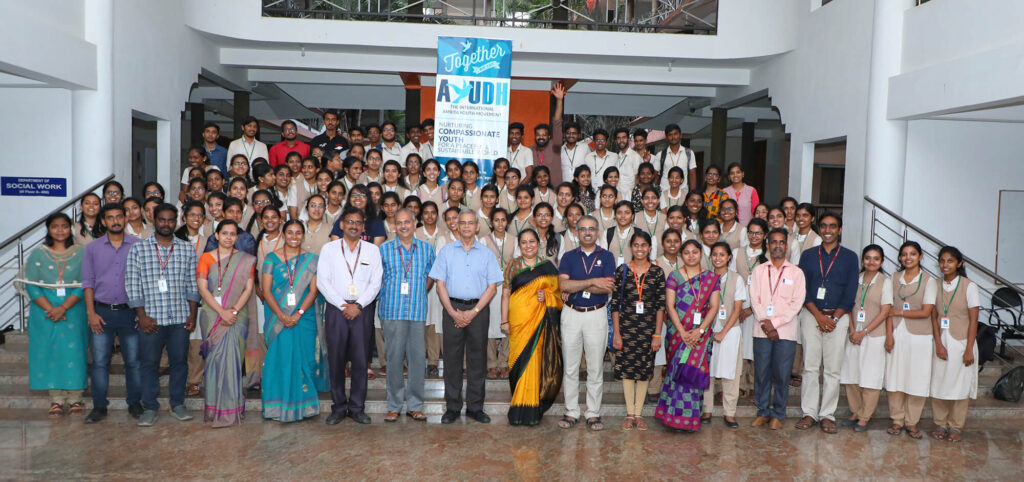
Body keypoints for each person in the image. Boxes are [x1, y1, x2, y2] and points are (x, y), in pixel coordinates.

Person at [126, 203, 201, 427]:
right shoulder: (139, 249)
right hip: (151, 318)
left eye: (170, 220)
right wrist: (141, 316)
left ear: (176, 221)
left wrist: (192, 314)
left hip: (179, 318)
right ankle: (150, 406)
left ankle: (177, 404)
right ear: (154, 221)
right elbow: (132, 284)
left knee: (180, 363)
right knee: (149, 364)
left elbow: (192, 284)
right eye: (162, 220)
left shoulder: (187, 249)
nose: (166, 224)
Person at [429, 210, 504, 424]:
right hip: (452, 307)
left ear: (477, 226)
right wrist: (453, 312)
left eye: (471, 223)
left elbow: (492, 288)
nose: (467, 226)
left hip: (478, 310)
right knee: (451, 360)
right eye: (463, 223)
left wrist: (473, 312)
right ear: (457, 226)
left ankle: (475, 407)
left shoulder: (487, 253)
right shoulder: (446, 252)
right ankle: (452, 407)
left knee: (477, 360)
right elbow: (439, 285)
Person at [17, 213, 87, 418]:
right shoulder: (38, 254)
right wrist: (51, 309)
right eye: (55, 226)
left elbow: (85, 283)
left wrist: (63, 308)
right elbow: (31, 284)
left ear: (70, 229)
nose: (60, 230)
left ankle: (75, 398)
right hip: (44, 313)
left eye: (64, 226)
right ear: (48, 229)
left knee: (74, 353)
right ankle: (56, 399)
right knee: (50, 353)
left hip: (73, 310)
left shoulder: (81, 253)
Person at [317, 207, 383, 425]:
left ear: (363, 227)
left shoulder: (372, 251)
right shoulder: (329, 249)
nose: (353, 225)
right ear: (342, 225)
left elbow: (376, 282)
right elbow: (323, 282)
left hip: (362, 310)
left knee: (361, 359)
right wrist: (342, 304)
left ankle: (357, 407)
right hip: (337, 309)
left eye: (358, 222)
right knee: (336, 359)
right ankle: (338, 407)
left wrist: (359, 304)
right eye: (349, 222)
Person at [794, 212, 858, 434]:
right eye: (824, 226)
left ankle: (827, 415)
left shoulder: (850, 257)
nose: (828, 230)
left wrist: (834, 317)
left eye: (832, 226)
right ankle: (809, 413)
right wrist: (819, 317)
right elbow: (802, 289)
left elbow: (850, 292)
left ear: (840, 230)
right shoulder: (809, 255)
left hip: (838, 318)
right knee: (810, 367)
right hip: (811, 315)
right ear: (819, 229)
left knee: (832, 370)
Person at [80, 204, 143, 423]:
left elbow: (146, 282)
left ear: (125, 218)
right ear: (103, 221)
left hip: (130, 313)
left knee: (134, 362)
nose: (115, 221)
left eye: (119, 216)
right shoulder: (92, 249)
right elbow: (87, 283)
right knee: (99, 362)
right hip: (101, 312)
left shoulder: (138, 246)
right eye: (110, 218)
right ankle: (99, 407)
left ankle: (135, 403)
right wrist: (91, 313)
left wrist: (141, 314)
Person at [557, 215, 616, 431]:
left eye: (591, 229)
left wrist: (576, 285)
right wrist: (592, 281)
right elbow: (563, 286)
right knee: (571, 367)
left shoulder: (607, 257)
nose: (587, 232)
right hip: (571, 314)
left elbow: (608, 287)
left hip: (596, 314)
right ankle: (571, 411)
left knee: (595, 367)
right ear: (577, 232)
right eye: (583, 229)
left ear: (597, 231)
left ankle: (593, 413)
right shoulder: (568, 257)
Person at [654, 239, 720, 432]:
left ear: (701, 254)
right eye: (687, 253)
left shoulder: (711, 278)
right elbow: (670, 306)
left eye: (695, 252)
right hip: (678, 334)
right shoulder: (674, 276)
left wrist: (699, 331)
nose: (691, 256)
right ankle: (672, 416)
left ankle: (690, 419)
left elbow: (714, 306)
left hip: (701, 335)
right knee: (678, 373)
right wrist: (682, 332)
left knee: (692, 374)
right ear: (681, 256)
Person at [260, 220, 323, 423]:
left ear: (303, 235)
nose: (294, 236)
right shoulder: (271, 258)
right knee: (280, 359)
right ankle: (276, 407)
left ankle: (304, 407)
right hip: (278, 318)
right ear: (284, 234)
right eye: (290, 232)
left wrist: (298, 314)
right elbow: (266, 291)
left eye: (298, 233)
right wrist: (281, 315)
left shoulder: (312, 260)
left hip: (303, 319)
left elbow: (313, 291)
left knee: (304, 359)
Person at [195, 220, 256, 427]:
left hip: (237, 315)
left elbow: (248, 289)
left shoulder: (245, 260)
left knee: (233, 362)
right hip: (212, 315)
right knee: (214, 362)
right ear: (217, 235)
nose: (228, 237)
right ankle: (214, 408)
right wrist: (222, 312)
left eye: (232, 234)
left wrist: (234, 311)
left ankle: (232, 407)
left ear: (237, 237)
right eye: (225, 233)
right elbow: (203, 288)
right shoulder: (205, 258)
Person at [500, 229, 564, 425]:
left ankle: (532, 409)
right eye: (524, 243)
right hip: (518, 324)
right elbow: (505, 294)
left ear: (539, 243)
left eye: (532, 242)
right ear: (519, 246)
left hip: (539, 323)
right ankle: (518, 406)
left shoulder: (548, 267)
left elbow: (561, 296)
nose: (528, 246)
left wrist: (548, 297)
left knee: (535, 363)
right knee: (517, 363)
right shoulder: (512, 266)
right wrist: (504, 321)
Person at [377, 209, 436, 423]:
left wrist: (420, 290)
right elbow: (377, 278)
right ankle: (393, 405)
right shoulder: (383, 249)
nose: (403, 226)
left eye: (407, 222)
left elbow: (431, 276)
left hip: (416, 310)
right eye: (399, 222)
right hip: (392, 311)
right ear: (394, 225)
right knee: (393, 359)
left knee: (417, 359)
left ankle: (415, 405)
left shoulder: (427, 249)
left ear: (414, 224)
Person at [748, 228, 806, 430]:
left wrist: (775, 324)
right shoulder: (759, 270)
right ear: (768, 245)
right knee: (762, 373)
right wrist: (766, 322)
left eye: (782, 242)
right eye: (774, 242)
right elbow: (754, 299)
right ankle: (763, 411)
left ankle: (778, 414)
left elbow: (797, 303)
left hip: (786, 332)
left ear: (787, 246)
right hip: (761, 331)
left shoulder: (796, 273)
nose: (778, 246)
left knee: (782, 375)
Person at [610, 232, 666, 431]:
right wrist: (616, 333)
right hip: (626, 328)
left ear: (650, 248)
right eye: (636, 245)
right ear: (631, 248)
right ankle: (629, 414)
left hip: (647, 330)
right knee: (627, 371)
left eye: (644, 245)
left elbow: (661, 306)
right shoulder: (622, 271)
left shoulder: (658, 272)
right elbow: (615, 305)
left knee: (643, 371)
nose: (640, 249)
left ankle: (639, 414)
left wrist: (657, 334)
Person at [885, 241, 938, 440]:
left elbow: (926, 312)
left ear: (920, 257)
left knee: (917, 378)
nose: (908, 257)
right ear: (900, 258)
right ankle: (897, 420)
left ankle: (912, 422)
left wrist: (899, 312)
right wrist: (889, 335)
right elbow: (887, 309)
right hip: (897, 333)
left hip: (920, 336)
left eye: (913, 254)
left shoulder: (929, 281)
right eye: (904, 254)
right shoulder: (894, 278)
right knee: (895, 378)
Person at [839, 244, 892, 432]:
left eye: (876, 258)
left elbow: (885, 311)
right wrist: (853, 330)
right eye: (868, 258)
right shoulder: (856, 279)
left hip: (874, 335)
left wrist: (864, 332)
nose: (871, 262)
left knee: (870, 376)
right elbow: (847, 305)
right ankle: (855, 411)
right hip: (853, 334)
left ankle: (865, 416)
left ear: (882, 261)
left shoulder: (886, 282)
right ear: (863, 260)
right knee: (851, 375)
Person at [929, 246, 979, 443]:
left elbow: (974, 320)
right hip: (942, 341)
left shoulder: (969, 286)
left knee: (960, 385)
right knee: (939, 383)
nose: (945, 265)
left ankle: (956, 426)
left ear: (959, 263)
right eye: (942, 260)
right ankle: (940, 423)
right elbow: (934, 317)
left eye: (950, 261)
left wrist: (969, 349)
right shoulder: (935, 284)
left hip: (962, 342)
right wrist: (938, 343)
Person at [701, 242, 748, 429]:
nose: (718, 258)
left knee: (731, 373)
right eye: (714, 254)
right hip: (707, 330)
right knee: (708, 372)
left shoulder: (737, 279)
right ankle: (707, 409)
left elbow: (738, 310)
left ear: (729, 257)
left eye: (722, 255)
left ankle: (729, 413)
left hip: (730, 330)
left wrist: (723, 331)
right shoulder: (704, 277)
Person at [733, 218, 768, 397]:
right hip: (738, 304)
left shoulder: (768, 256)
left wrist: (751, 309)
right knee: (740, 345)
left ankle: (755, 385)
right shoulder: (737, 252)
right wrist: (738, 308)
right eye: (751, 232)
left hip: (759, 307)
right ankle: (740, 384)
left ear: (765, 235)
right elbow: (730, 280)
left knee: (755, 346)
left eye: (758, 233)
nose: (754, 236)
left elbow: (771, 288)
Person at [483, 208, 515, 380]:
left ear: (507, 222)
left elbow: (517, 263)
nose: (500, 223)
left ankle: (504, 362)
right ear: (491, 222)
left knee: (507, 323)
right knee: (489, 325)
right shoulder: (483, 240)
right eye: (497, 220)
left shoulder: (515, 240)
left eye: (503, 220)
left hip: (508, 288)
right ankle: (491, 363)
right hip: (490, 288)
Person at [533, 82, 567, 187]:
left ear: (548, 136)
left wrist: (559, 100)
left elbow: (557, 122)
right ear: (535, 137)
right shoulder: (529, 151)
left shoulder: (555, 146)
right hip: (535, 193)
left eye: (544, 135)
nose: (541, 137)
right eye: (538, 135)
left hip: (555, 192)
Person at [656, 124, 697, 194]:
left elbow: (692, 174)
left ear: (680, 135)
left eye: (675, 134)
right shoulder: (660, 155)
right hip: (664, 192)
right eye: (670, 135)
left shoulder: (689, 153)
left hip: (683, 193)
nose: (673, 137)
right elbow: (656, 176)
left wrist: (693, 193)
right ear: (666, 137)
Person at [559, 121, 592, 187]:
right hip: (566, 188)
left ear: (579, 135)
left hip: (581, 187)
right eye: (568, 133)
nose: (571, 135)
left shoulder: (584, 147)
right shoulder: (560, 150)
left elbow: (590, 166)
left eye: (574, 133)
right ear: (564, 134)